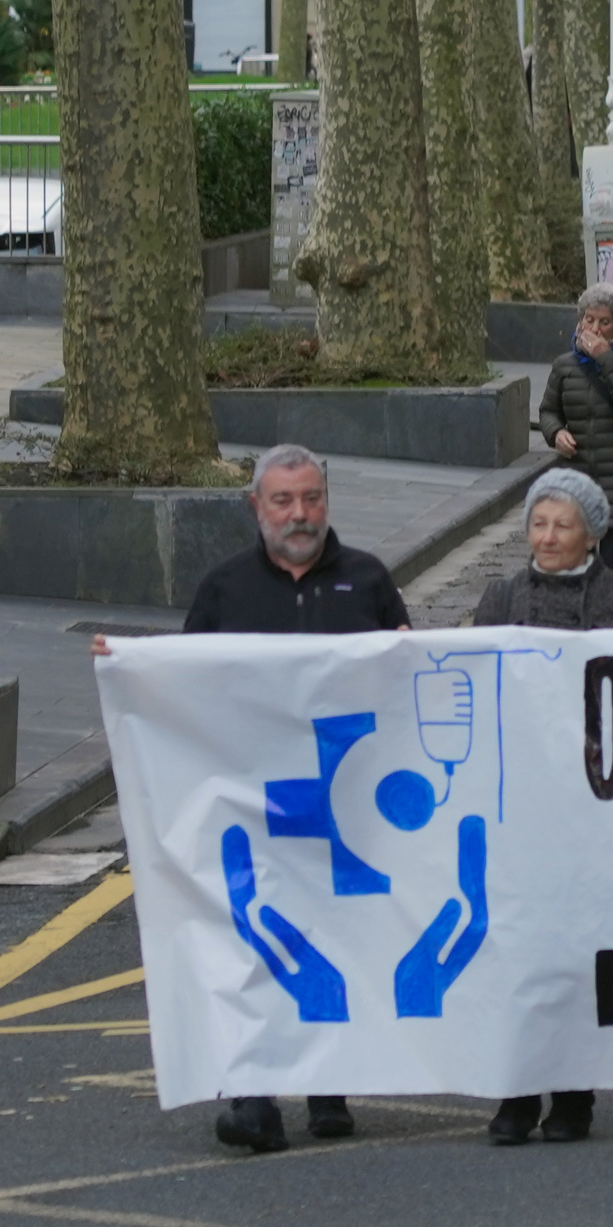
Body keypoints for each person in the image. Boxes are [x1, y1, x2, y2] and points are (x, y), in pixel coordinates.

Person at [181, 445, 409, 1154]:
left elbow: (404, 681)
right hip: (257, 802)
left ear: (327, 501)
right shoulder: (224, 589)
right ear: (256, 507)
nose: (299, 514)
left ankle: (329, 1085)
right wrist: (125, 667)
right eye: (283, 501)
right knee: (258, 942)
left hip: (348, 807)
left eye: (311, 498)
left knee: (339, 941)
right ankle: (252, 1097)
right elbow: (183, 684)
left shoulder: (367, 579)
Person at [472, 468, 613, 1148]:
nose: (548, 537)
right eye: (539, 524)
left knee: (581, 949)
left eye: (563, 525)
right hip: (520, 807)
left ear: (592, 532)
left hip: (597, 807)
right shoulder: (500, 597)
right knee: (519, 949)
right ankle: (517, 1092)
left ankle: (574, 1095)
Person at [538, 284, 613, 572]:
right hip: (579, 482)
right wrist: (556, 433)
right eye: (589, 319)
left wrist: (605, 357)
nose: (594, 328)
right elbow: (548, 411)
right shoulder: (565, 366)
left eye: (604, 322)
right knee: (578, 567)